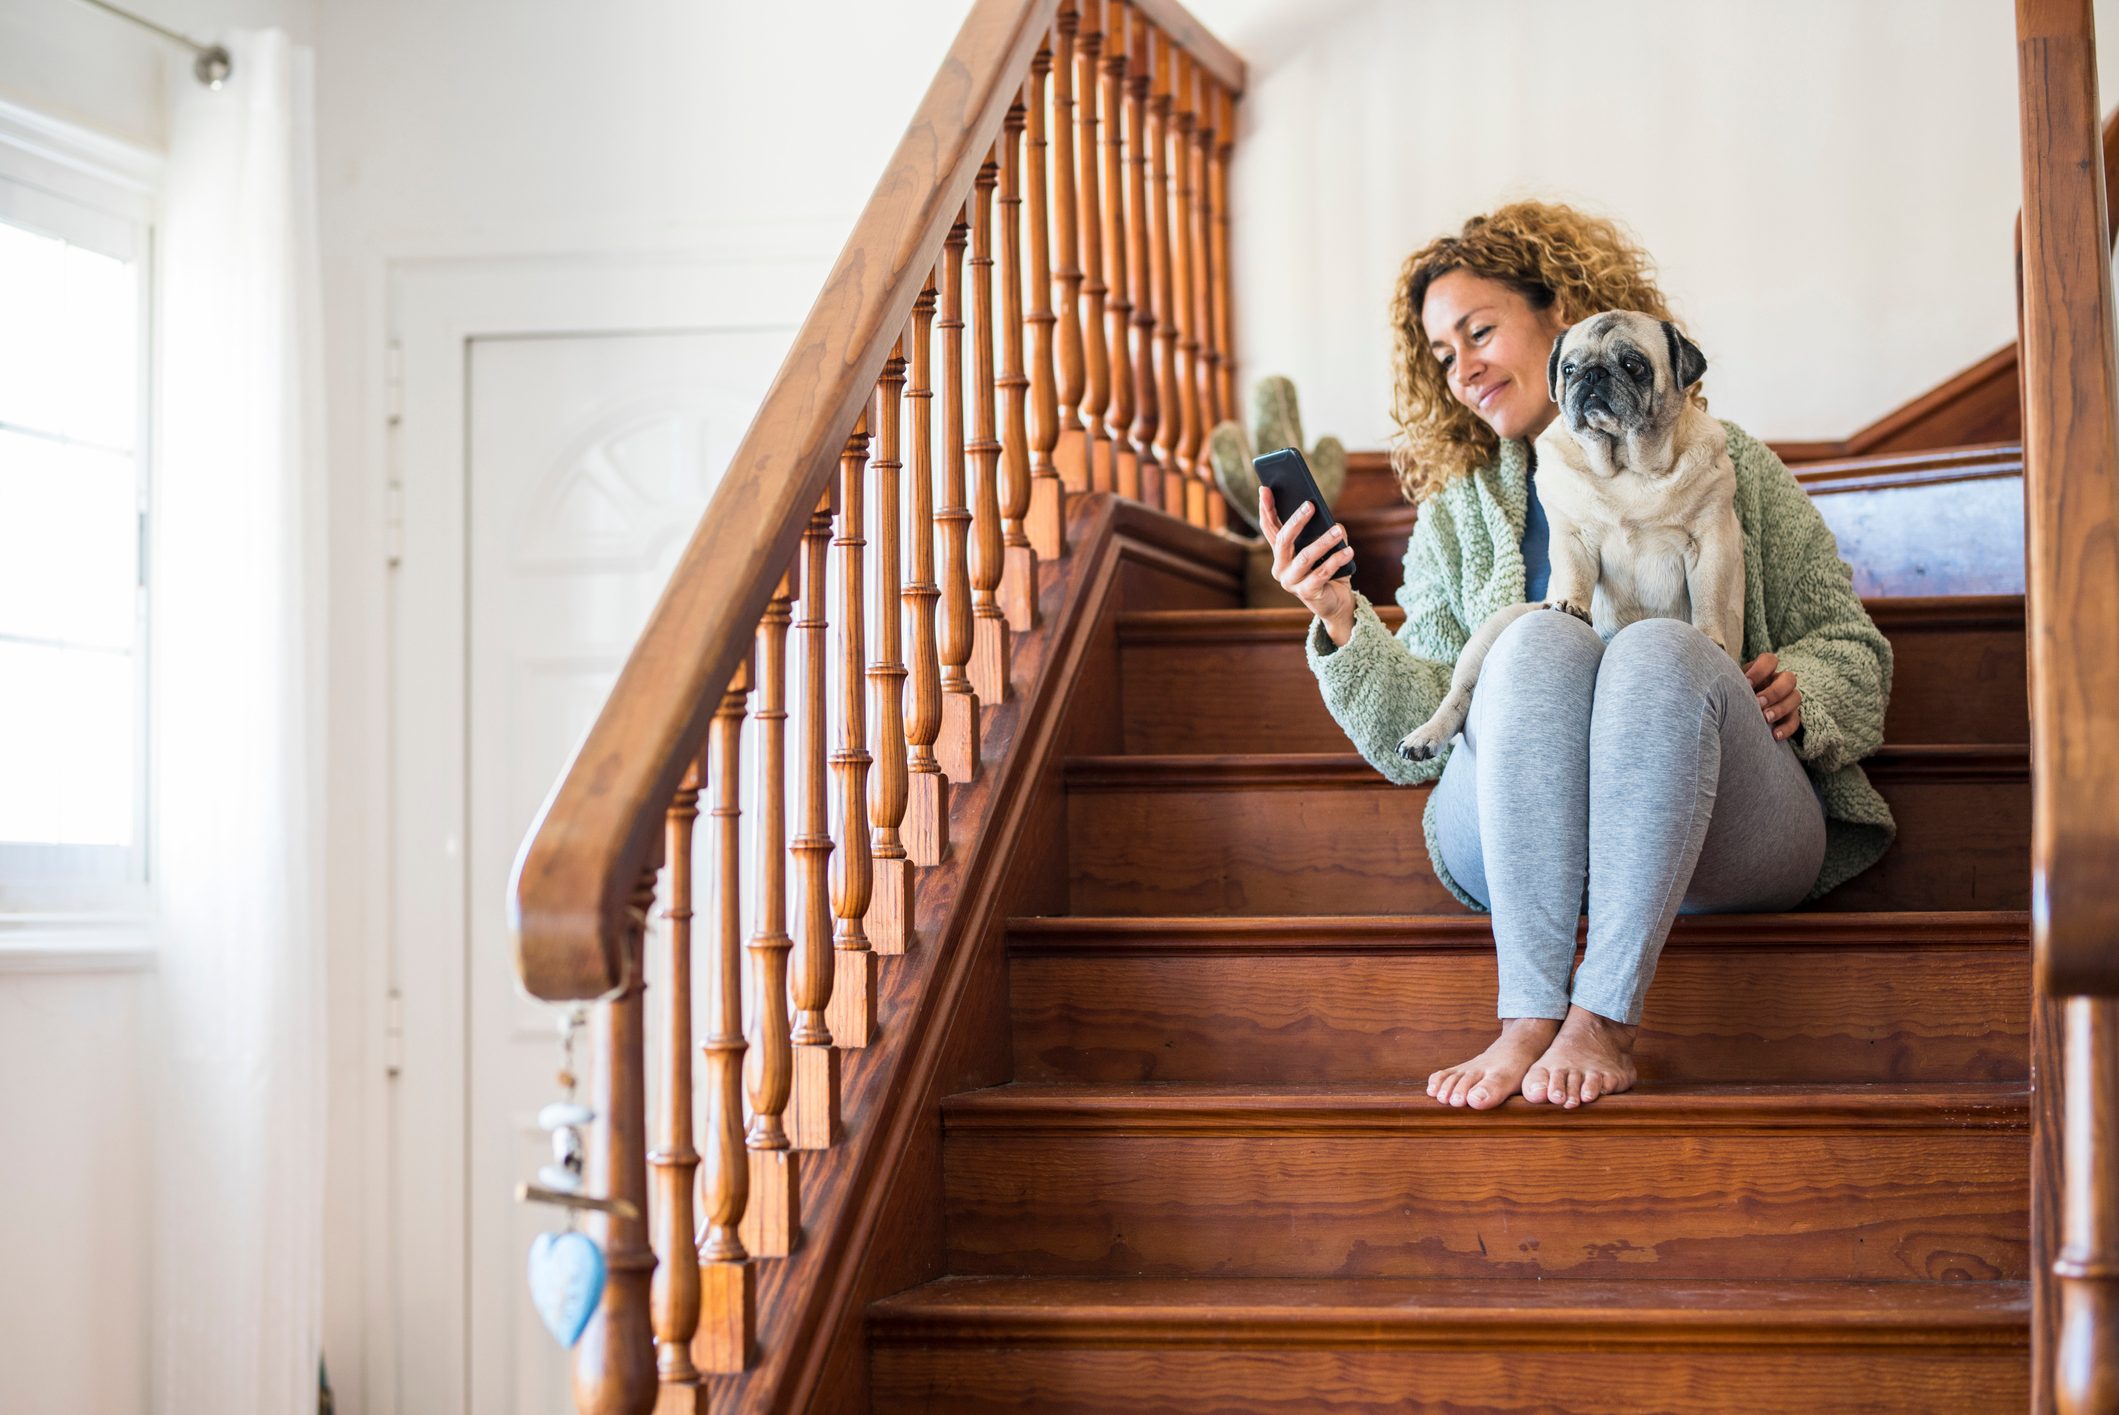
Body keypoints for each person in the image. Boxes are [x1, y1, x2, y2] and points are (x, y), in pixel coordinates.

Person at [1263, 201, 1895, 1111]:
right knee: (1535, 638)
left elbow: (1853, 649)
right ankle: (1527, 1011)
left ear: (1559, 316)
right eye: (1443, 355)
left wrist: (1810, 687)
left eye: (1480, 331)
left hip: (1720, 824)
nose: (1464, 366)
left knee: (1657, 652)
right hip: (1515, 841)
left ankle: (1602, 1016)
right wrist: (1338, 616)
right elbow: (1420, 741)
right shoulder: (1456, 516)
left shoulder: (1728, 465)